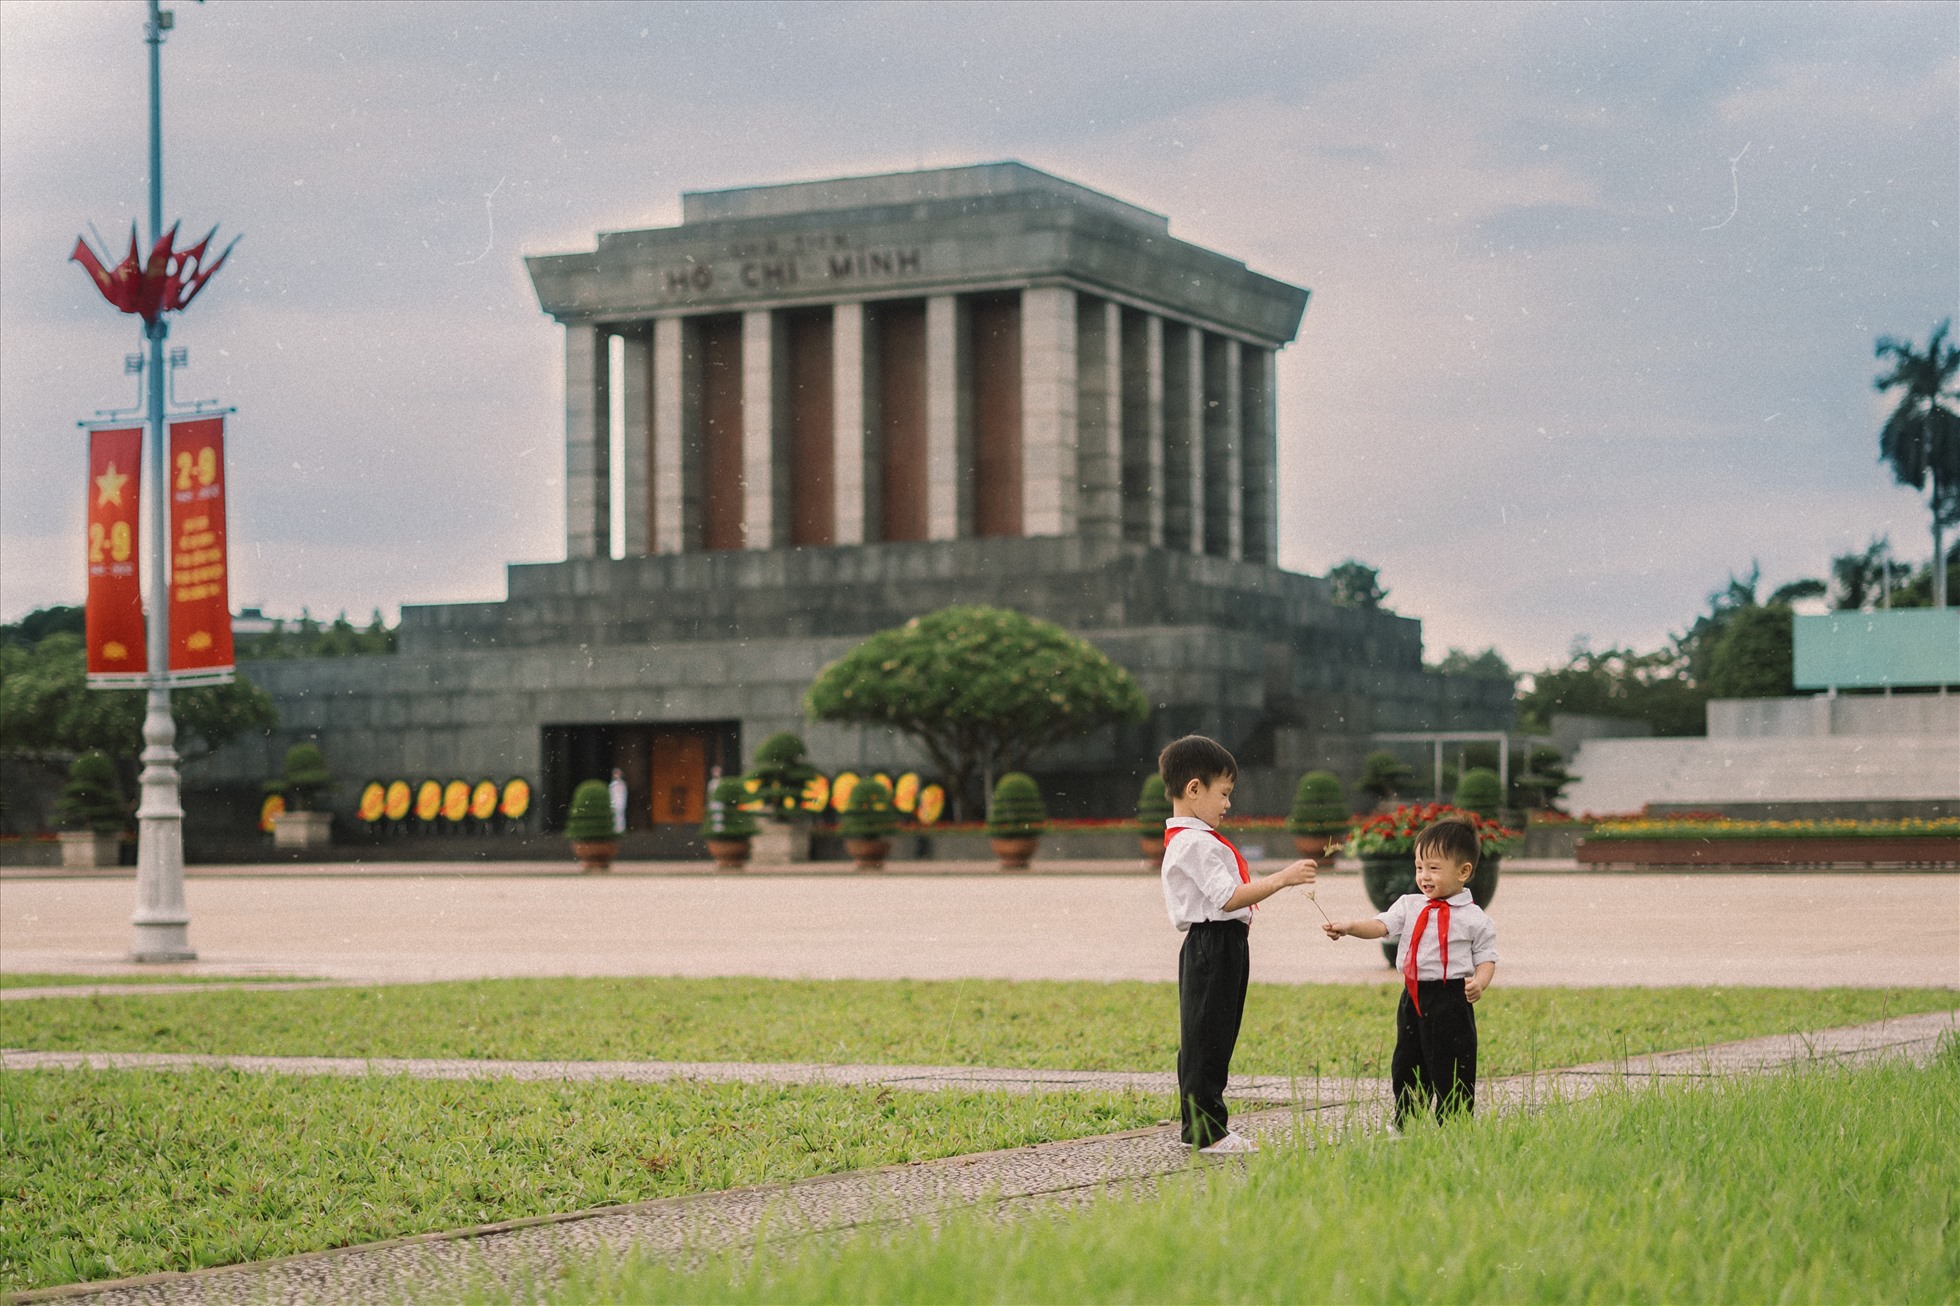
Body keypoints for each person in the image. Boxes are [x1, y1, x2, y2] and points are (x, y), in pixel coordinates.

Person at [1159, 734, 1318, 1154]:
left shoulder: (1196, 839)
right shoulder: (1194, 842)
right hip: (1213, 943)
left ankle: (1200, 1126)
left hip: (1222, 942)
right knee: (1207, 1036)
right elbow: (1228, 896)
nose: (1228, 805)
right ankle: (1207, 1131)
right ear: (1194, 789)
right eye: (1224, 794)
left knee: (1213, 1033)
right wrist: (1282, 879)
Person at [1323, 817, 1497, 1126]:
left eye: (1433, 868)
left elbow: (1486, 957)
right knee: (1408, 1060)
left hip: (1452, 998)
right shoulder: (1409, 905)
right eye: (1419, 867)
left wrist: (1480, 983)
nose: (1424, 876)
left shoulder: (1474, 918)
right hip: (1414, 996)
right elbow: (1381, 925)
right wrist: (1350, 927)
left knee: (1452, 1061)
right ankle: (1408, 1120)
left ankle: (1454, 1122)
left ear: (1464, 871)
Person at [608, 768, 629, 835]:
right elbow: (611, 795)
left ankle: (621, 830)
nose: (616, 775)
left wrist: (623, 803)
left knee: (621, 816)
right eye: (615, 774)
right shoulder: (612, 785)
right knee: (615, 816)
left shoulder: (622, 784)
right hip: (614, 802)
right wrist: (611, 804)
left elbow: (624, 794)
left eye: (617, 773)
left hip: (621, 802)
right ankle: (615, 830)